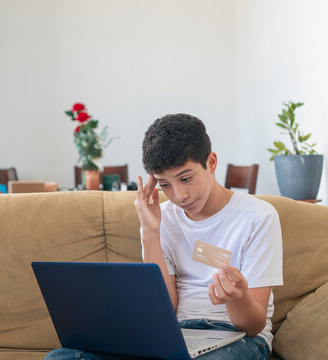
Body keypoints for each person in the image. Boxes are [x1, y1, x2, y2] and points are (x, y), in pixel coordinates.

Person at [45, 114, 283, 360]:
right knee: (62, 357)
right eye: (165, 184)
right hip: (176, 335)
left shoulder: (258, 216)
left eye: (186, 178)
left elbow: (254, 326)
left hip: (238, 337)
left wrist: (237, 298)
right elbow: (164, 309)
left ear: (211, 163)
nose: (179, 196)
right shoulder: (163, 218)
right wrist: (149, 232)